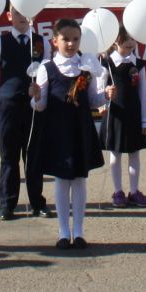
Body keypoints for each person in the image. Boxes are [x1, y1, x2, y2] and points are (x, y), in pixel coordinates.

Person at [30, 18, 109, 249]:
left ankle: (79, 231)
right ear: (55, 41)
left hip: (80, 129)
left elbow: (94, 100)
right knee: (62, 180)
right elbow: (41, 105)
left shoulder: (85, 67)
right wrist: (34, 96)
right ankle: (63, 232)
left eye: (75, 39)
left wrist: (106, 95)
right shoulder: (47, 69)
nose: (71, 44)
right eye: (66, 39)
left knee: (80, 179)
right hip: (58, 131)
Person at [0, 8, 49, 220]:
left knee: (33, 157)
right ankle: (7, 204)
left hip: (34, 106)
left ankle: (37, 202)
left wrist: (40, 90)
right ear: (9, 16)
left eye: (26, 12)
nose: (22, 17)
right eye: (17, 13)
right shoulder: (1, 41)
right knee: (9, 157)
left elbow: (48, 71)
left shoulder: (41, 42)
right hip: (9, 106)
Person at [99, 27, 146, 207]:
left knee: (135, 154)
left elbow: (144, 93)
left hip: (134, 115)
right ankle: (118, 191)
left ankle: (134, 191)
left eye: (132, 38)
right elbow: (99, 90)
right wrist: (104, 97)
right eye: (125, 38)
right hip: (116, 114)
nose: (130, 42)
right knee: (115, 155)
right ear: (115, 41)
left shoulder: (138, 64)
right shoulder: (107, 63)